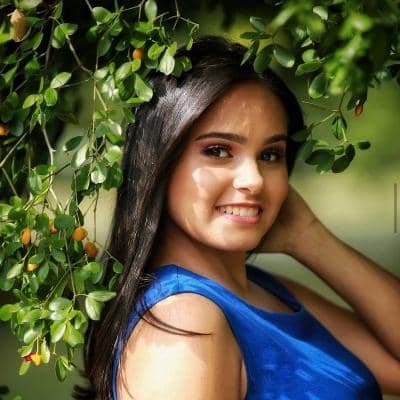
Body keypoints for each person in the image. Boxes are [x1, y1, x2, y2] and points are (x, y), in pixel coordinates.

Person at [74, 35, 400, 400]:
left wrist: (310, 239)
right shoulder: (184, 317)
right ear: (159, 162)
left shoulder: (264, 291)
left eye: (270, 155)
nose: (254, 180)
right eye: (218, 151)